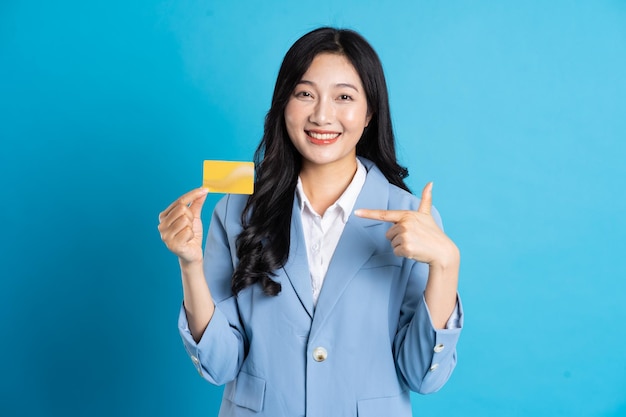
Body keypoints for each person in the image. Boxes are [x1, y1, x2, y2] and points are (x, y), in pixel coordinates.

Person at [158, 27, 463, 417]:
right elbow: (219, 365)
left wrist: (446, 265)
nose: (322, 115)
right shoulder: (236, 210)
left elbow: (423, 377)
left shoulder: (411, 219)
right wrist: (190, 264)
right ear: (284, 104)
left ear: (370, 113)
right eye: (305, 94)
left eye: (344, 97)